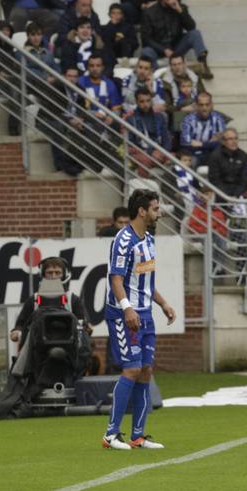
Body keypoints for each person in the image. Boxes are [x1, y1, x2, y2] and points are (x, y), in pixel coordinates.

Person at [102, 190, 176, 451]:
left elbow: (144, 281)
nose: (160, 212)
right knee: (132, 368)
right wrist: (127, 309)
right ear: (142, 211)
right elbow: (116, 279)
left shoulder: (149, 240)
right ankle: (111, 434)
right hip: (125, 314)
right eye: (156, 208)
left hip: (145, 312)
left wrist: (163, 303)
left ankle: (137, 435)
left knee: (145, 370)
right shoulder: (123, 240)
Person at [139, 0, 212, 79]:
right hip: (158, 48)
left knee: (195, 34)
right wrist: (164, 50)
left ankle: (203, 65)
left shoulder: (181, 8)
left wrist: (179, 10)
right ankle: (154, 78)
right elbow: (146, 38)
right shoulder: (149, 12)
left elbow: (191, 27)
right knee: (146, 51)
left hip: (176, 46)